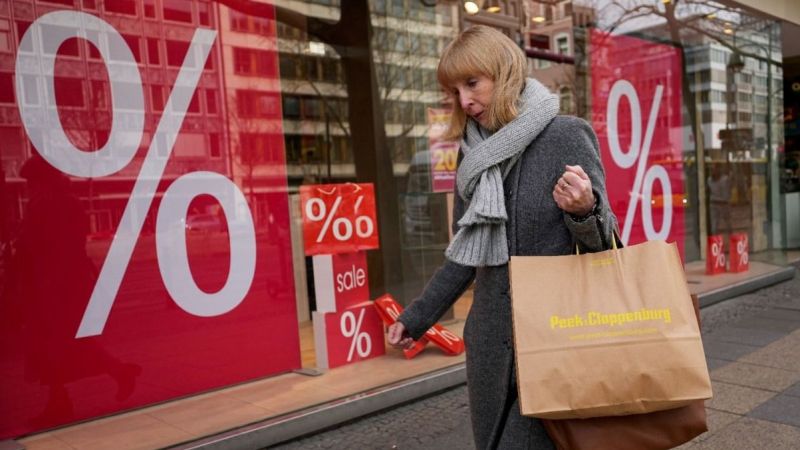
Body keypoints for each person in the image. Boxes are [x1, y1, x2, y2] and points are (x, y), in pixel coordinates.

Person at [387, 25, 618, 449]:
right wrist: (416, 318)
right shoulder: (472, 156)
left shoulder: (565, 134)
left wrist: (586, 209)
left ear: (505, 72)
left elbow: (608, 245)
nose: (464, 100)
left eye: (472, 83)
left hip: (557, 336)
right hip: (493, 344)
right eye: (455, 90)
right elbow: (464, 252)